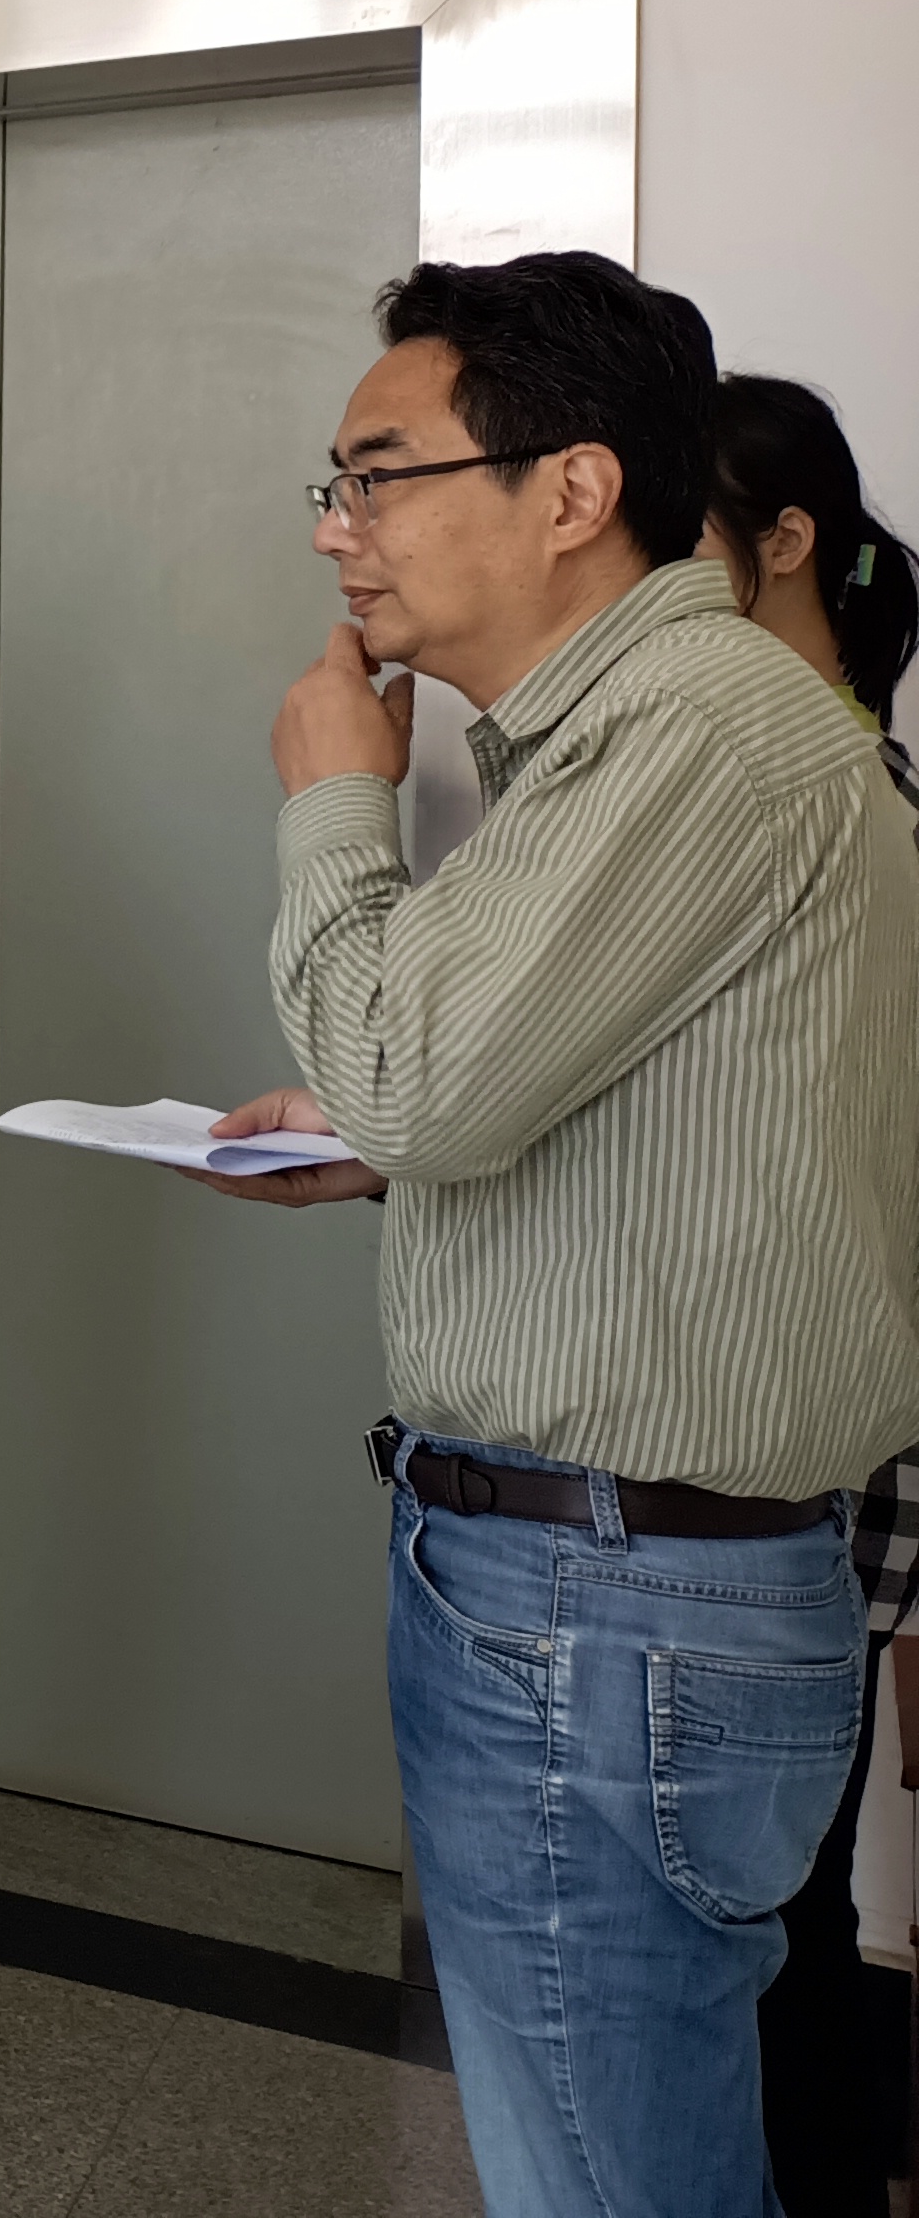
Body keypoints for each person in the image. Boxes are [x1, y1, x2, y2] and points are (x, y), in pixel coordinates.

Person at [194, 255, 919, 2218]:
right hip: (615, 1590)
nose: (337, 527)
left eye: (379, 472)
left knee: (604, 2184)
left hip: (605, 1608)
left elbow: (421, 1074)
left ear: (573, 489)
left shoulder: (689, 731)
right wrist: (382, 1149)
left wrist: (334, 807)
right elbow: (656, 1124)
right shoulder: (662, 734)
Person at [702, 375, 919, 2218]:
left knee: (781, 1928)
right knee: (775, 1921)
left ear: (786, 544)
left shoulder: (840, 806)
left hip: (820, 1466)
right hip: (775, 1465)